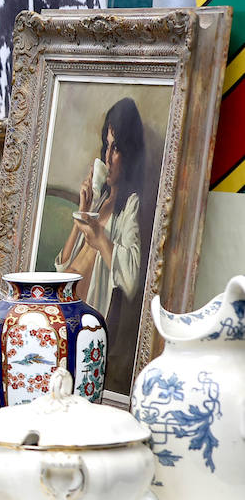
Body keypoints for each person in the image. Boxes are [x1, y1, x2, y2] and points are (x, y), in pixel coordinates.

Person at [56, 96, 145, 393]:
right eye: (106, 145)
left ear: (129, 153)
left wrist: (100, 239)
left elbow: (131, 278)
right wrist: (82, 213)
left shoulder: (130, 206)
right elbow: (63, 269)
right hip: (66, 310)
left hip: (90, 326)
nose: (107, 157)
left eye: (116, 147)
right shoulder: (102, 201)